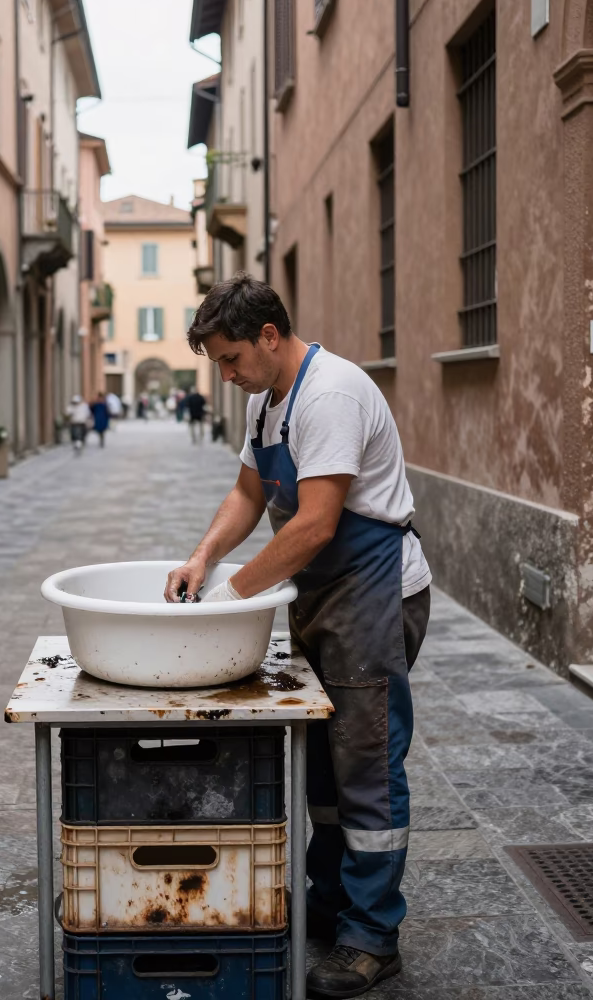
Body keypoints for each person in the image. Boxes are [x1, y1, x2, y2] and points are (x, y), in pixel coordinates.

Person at [165, 273, 431, 999]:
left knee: (367, 769)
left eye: (229, 359)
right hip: (320, 594)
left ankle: (373, 938)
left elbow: (314, 522)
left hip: (374, 591)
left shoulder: (331, 395)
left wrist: (233, 594)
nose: (225, 376)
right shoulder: (265, 400)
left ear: (269, 337)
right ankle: (332, 904)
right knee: (322, 767)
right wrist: (202, 558)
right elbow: (250, 493)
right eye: (218, 363)